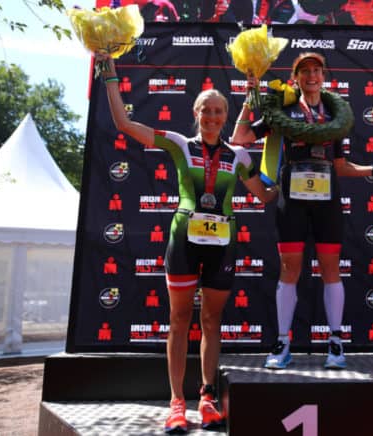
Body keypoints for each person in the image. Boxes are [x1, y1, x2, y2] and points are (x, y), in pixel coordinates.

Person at [96, 54, 277, 433]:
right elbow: (124, 123)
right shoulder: (180, 144)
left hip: (222, 244)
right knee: (179, 320)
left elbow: (263, 196)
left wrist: (290, 165)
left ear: (226, 117)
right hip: (183, 240)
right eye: (206, 110)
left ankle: (207, 395)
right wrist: (109, 75)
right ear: (196, 113)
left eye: (218, 111)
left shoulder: (239, 155)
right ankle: (177, 401)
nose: (212, 116)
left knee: (212, 321)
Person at [231, 52, 373, 370]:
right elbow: (239, 138)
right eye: (305, 71)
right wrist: (251, 96)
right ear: (296, 77)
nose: (312, 76)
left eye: (317, 70)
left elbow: (341, 166)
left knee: (331, 269)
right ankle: (283, 343)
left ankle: (336, 343)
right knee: (290, 270)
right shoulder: (282, 110)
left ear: (324, 76)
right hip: (292, 200)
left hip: (327, 200)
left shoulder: (336, 114)